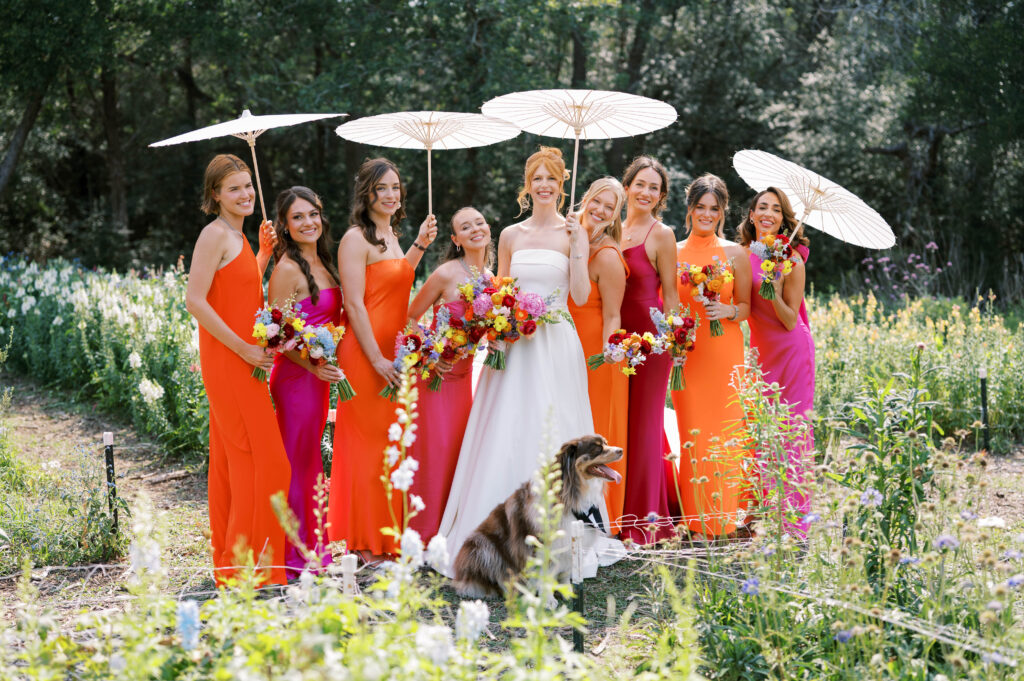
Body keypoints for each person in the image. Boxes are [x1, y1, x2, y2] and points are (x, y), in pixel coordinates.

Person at [437, 146, 621, 576]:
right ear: (528, 184)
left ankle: (561, 538)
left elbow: (578, 297)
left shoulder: (574, 231)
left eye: (551, 179)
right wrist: (499, 327)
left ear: (561, 186)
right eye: (536, 178)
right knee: (509, 425)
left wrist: (578, 246)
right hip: (516, 344)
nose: (543, 185)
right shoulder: (510, 235)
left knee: (553, 426)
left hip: (556, 342)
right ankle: (498, 534)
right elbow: (500, 291)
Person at [184, 153, 291, 586]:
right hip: (230, 360)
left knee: (239, 460)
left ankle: (240, 563)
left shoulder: (239, 237)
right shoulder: (213, 234)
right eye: (234, 188)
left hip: (244, 359)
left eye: (248, 186)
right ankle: (250, 565)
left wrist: (263, 254)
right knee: (265, 461)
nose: (246, 194)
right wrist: (245, 350)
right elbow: (195, 300)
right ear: (216, 195)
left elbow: (239, 288)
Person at [327, 158, 437, 565]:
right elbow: (353, 303)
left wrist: (421, 243)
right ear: (366, 194)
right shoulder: (354, 239)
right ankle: (364, 542)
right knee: (368, 444)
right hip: (366, 352)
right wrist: (374, 358)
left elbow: (398, 279)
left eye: (395, 187)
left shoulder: (391, 234)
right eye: (382, 188)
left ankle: (387, 536)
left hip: (395, 349)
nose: (391, 195)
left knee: (391, 442)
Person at [404, 207, 495, 541]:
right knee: (433, 454)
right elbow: (410, 317)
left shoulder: (493, 281)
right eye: (465, 227)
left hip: (464, 381)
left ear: (488, 229)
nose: (475, 229)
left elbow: (491, 330)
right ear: (456, 239)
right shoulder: (445, 273)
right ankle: (421, 534)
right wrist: (429, 354)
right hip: (433, 378)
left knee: (458, 454)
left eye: (480, 223)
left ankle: (449, 530)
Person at [267, 186, 343, 577]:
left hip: (320, 375)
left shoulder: (325, 262)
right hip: (297, 378)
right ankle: (294, 553)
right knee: (298, 463)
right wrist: (312, 365)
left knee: (312, 460)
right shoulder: (286, 270)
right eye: (297, 217)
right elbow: (275, 334)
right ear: (285, 225)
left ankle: (315, 544)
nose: (307, 222)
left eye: (312, 214)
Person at [671, 173, 752, 538]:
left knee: (726, 428)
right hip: (688, 352)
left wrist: (728, 312)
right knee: (693, 429)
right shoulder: (671, 251)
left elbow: (747, 306)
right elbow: (665, 302)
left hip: (725, 350)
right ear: (689, 209)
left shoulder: (736, 253)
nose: (706, 214)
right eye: (700, 207)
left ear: (722, 213)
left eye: (713, 209)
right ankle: (694, 518)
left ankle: (723, 517)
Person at [739, 186, 815, 535]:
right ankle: (756, 512)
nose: (768, 214)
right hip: (761, 352)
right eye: (762, 207)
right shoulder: (742, 254)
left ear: (784, 219)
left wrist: (774, 283)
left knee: (790, 432)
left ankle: (792, 523)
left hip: (792, 350)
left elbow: (788, 319)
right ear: (752, 215)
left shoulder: (792, 258)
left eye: (776, 210)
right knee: (759, 429)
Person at [617, 156, 680, 544]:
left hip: (649, 342)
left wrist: (673, 343)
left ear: (660, 196)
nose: (645, 192)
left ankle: (643, 519)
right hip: (610, 338)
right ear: (627, 187)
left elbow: (670, 296)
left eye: (654, 187)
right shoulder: (609, 226)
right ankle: (615, 506)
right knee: (620, 421)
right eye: (640, 184)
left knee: (643, 423)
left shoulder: (662, 234)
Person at [567, 177, 630, 534]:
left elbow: (612, 314)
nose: (601, 210)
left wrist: (610, 350)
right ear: (586, 197)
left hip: (595, 351)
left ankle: (601, 518)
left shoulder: (607, 255)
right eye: (598, 201)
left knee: (595, 430)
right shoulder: (566, 233)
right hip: (561, 341)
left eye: (611, 207)